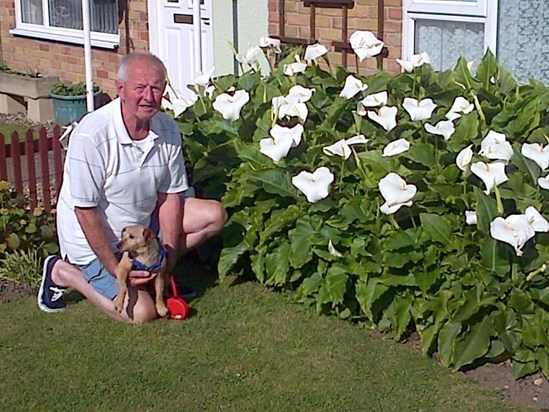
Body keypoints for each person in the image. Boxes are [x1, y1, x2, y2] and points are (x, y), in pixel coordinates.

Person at [37, 52, 227, 323]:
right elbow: (85, 212)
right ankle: (63, 272)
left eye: (156, 87)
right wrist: (115, 268)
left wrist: (168, 258)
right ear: (120, 89)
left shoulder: (167, 129)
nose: (148, 96)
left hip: (140, 227)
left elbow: (170, 196)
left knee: (213, 216)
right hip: (92, 240)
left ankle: (151, 274)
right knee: (142, 314)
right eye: (140, 88)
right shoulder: (93, 135)